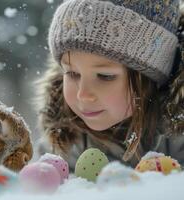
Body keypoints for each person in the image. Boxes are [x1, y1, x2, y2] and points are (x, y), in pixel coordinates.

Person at [35, 0, 184, 168]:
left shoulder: (179, 140)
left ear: (151, 78)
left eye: (105, 76)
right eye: (72, 73)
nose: (83, 95)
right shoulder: (65, 144)